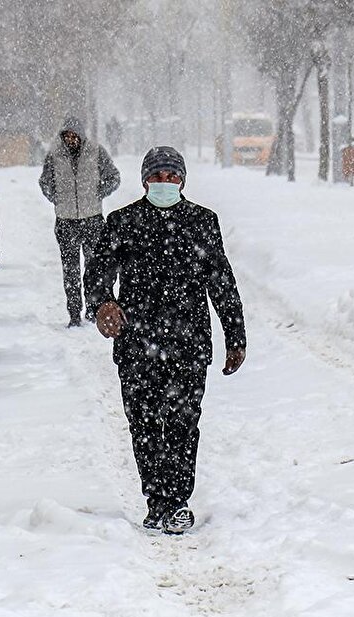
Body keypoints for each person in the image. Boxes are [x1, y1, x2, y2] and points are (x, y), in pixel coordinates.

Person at [86, 146, 247, 535]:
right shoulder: (124, 221)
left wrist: (235, 335)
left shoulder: (202, 222)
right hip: (138, 342)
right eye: (157, 177)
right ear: (145, 181)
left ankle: (178, 501)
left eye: (172, 177)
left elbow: (221, 282)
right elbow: (97, 272)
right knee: (143, 423)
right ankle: (155, 500)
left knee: (182, 423)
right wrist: (104, 304)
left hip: (189, 342)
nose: (165, 183)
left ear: (183, 180)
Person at [38, 114, 121, 327]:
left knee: (94, 267)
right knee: (71, 269)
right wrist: (57, 199)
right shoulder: (54, 156)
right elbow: (45, 182)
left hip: (92, 219)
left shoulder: (96, 152)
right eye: (67, 135)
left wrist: (97, 193)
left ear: (81, 136)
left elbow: (114, 177)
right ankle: (74, 313)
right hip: (66, 222)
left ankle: (94, 310)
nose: (70, 139)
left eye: (74, 135)